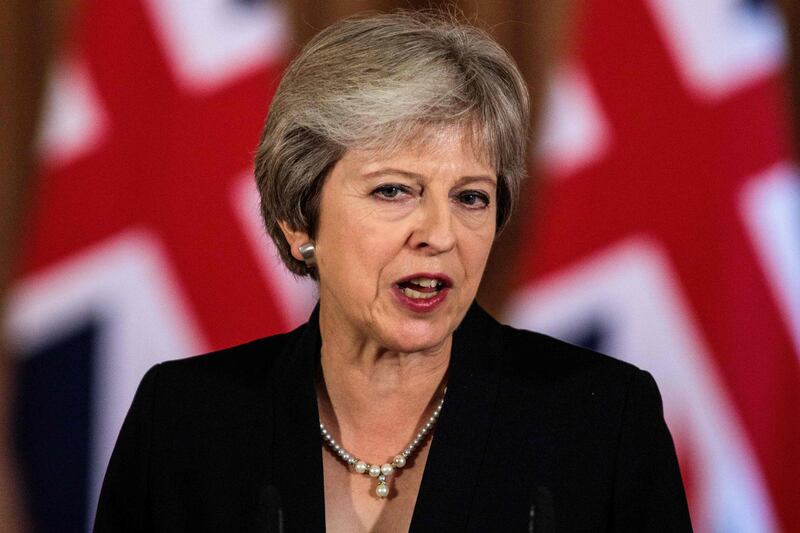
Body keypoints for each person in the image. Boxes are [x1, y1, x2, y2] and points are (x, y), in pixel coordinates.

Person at [94, 10, 692, 533]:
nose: (438, 233)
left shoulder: (599, 421)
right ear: (299, 223)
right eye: (393, 191)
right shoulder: (184, 421)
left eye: (471, 197)